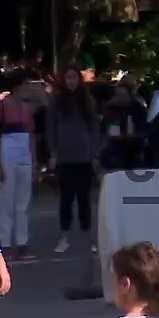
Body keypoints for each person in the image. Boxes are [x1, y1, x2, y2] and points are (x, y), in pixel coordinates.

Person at [48, 64, 100, 254]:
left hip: (84, 155)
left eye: (74, 77)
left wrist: (94, 153)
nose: (71, 81)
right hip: (64, 157)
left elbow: (94, 128)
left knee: (85, 199)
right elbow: (51, 128)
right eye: (68, 77)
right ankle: (64, 237)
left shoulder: (87, 100)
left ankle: (89, 237)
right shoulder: (56, 100)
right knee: (66, 199)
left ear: (79, 79)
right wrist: (53, 153)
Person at [0, 71, 36, 260]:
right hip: (7, 151)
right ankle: (4, 244)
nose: (27, 88)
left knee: (23, 202)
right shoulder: (3, 105)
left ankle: (23, 244)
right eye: (25, 85)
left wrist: (34, 162)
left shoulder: (27, 107)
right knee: (6, 201)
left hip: (24, 153)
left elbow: (31, 136)